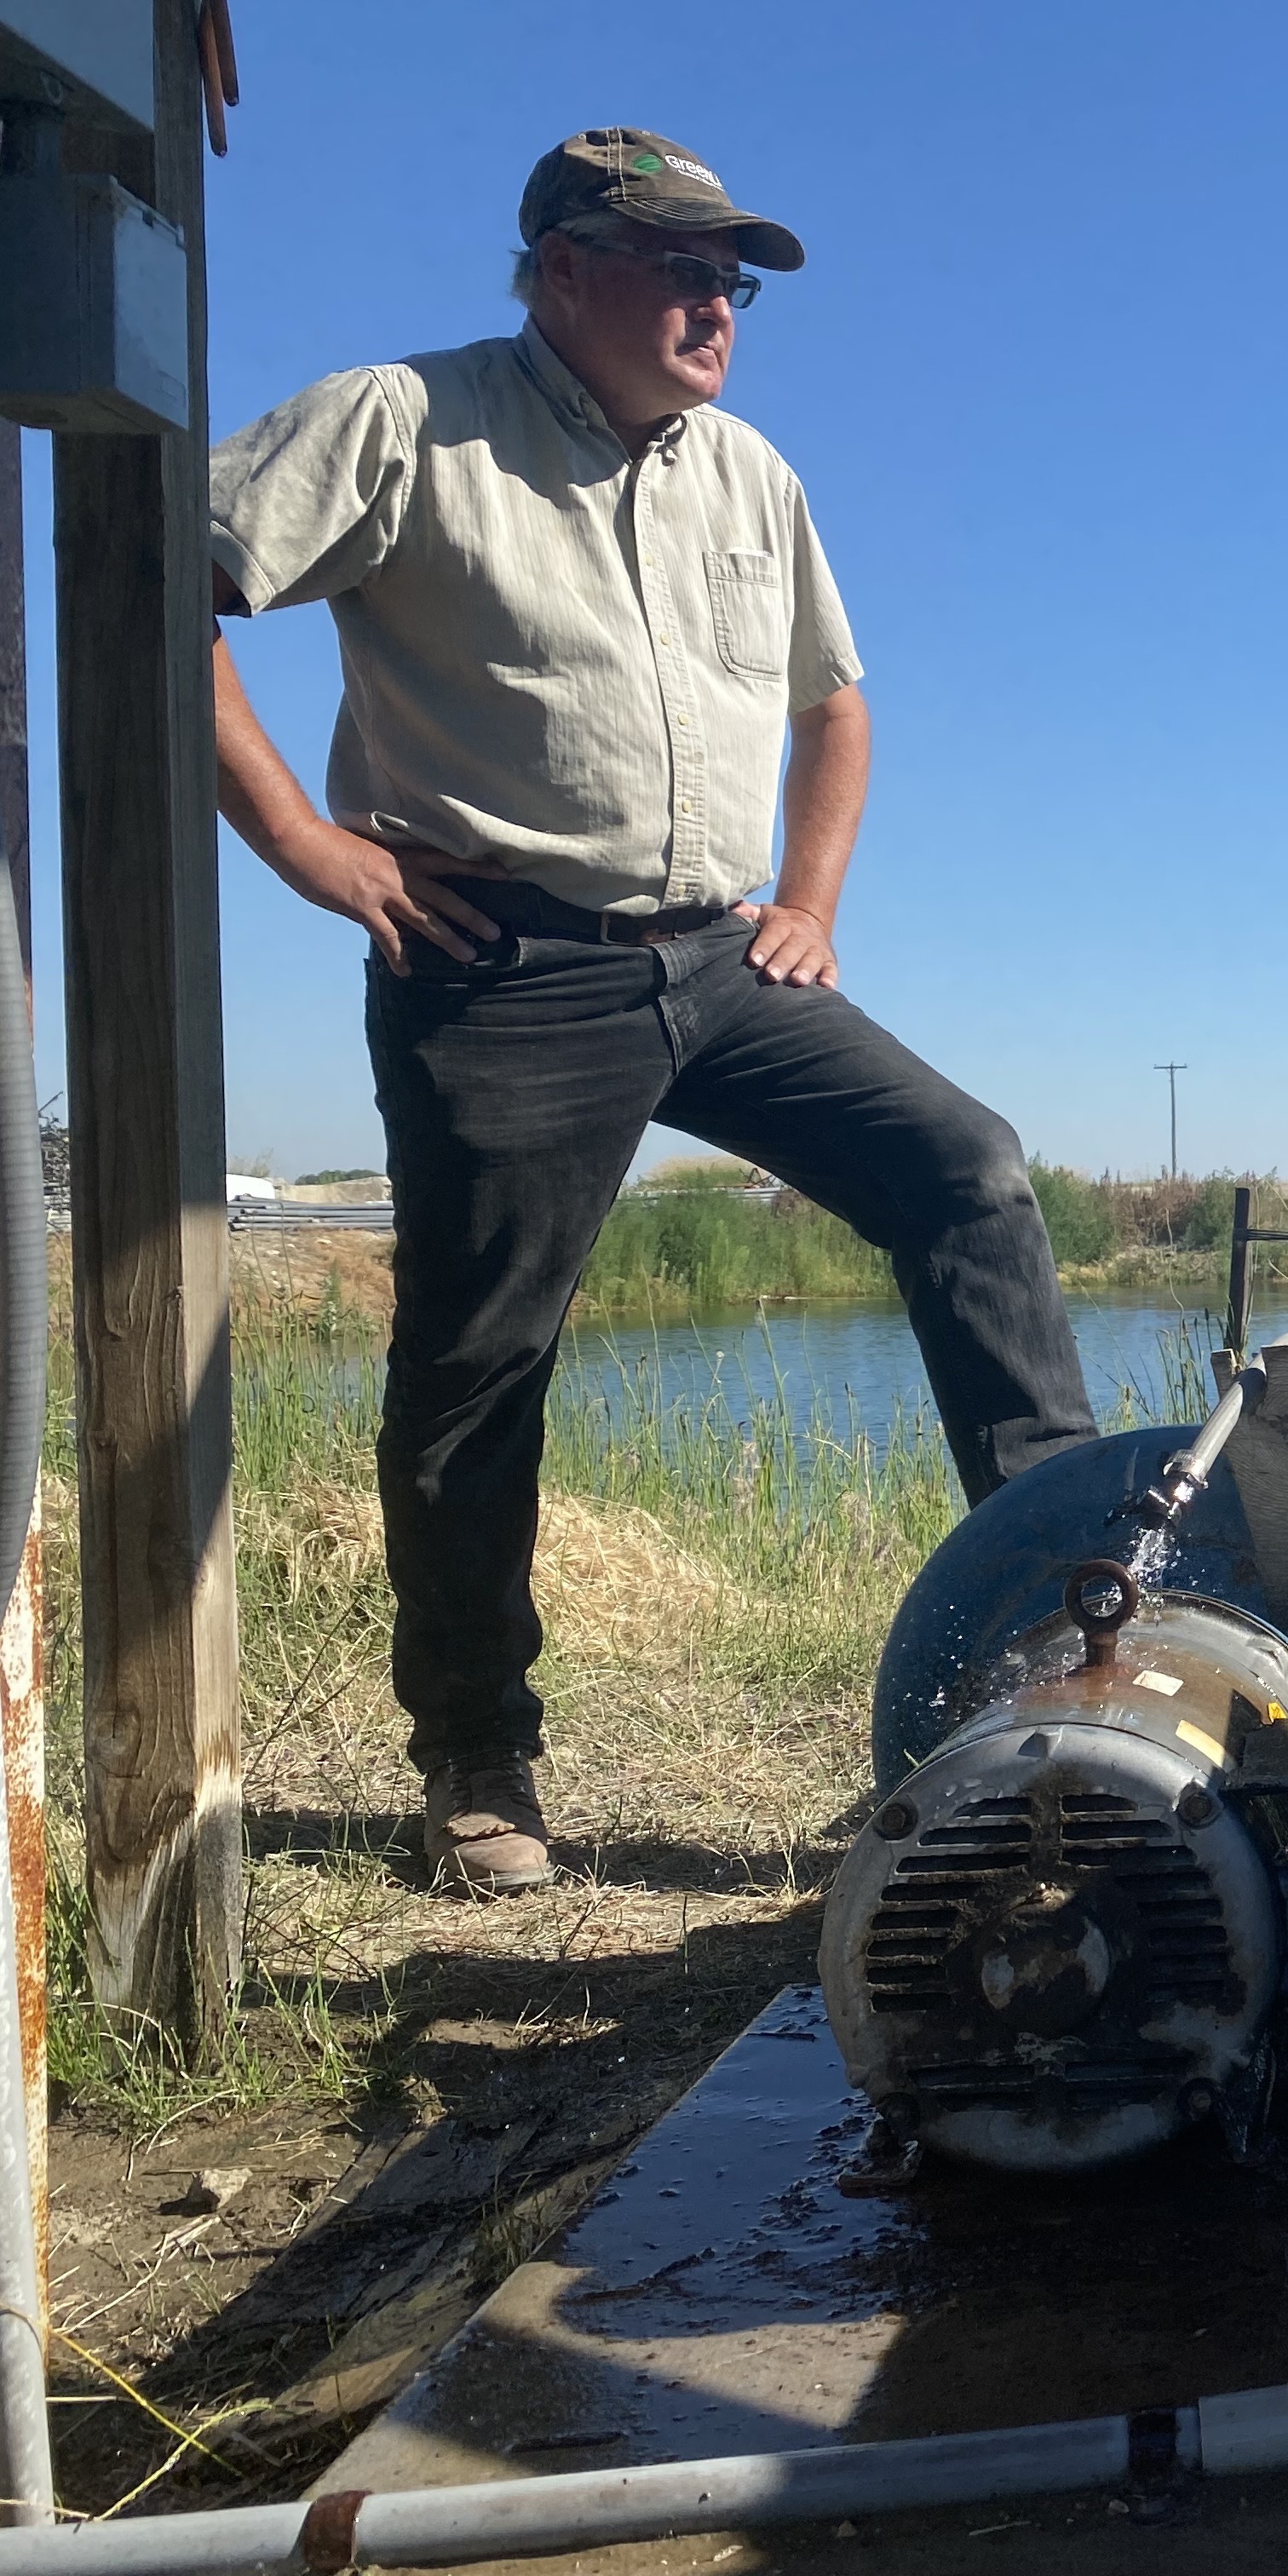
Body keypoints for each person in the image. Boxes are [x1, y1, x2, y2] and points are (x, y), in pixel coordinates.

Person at [207, 129, 1098, 1895]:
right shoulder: (401, 418)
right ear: (556, 268)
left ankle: (1073, 1649)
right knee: (479, 1369)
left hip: (722, 960)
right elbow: (169, 577)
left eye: (734, 275)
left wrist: (812, 906)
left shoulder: (750, 473)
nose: (716, 302)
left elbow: (834, 706)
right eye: (677, 261)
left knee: (974, 1178)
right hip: (505, 965)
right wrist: (308, 844)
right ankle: (478, 1764)